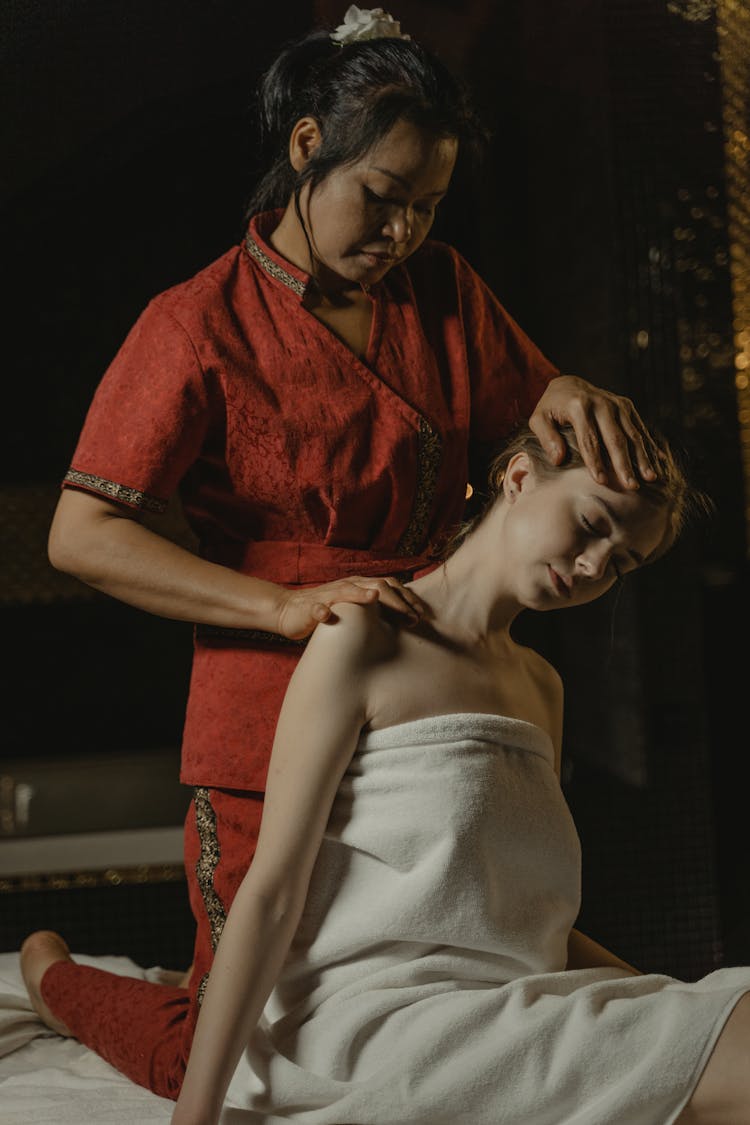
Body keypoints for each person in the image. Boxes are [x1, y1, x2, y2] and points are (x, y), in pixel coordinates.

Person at [22, 4, 658, 1102]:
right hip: (267, 682)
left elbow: (530, 428)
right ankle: (52, 977)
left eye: (428, 207)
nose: (402, 231)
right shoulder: (195, 325)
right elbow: (80, 534)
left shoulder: (444, 291)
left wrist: (563, 388)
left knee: (440, 967)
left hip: (421, 674)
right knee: (227, 1046)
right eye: (382, 197)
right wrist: (278, 611)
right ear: (308, 148)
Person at [149, 419, 746, 1125]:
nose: (592, 567)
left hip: (508, 1009)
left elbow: (522, 917)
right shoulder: (363, 635)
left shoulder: (540, 686)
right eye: (591, 524)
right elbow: (273, 890)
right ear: (519, 477)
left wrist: (672, 1002)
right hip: (384, 1022)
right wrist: (196, 1114)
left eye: (620, 563)